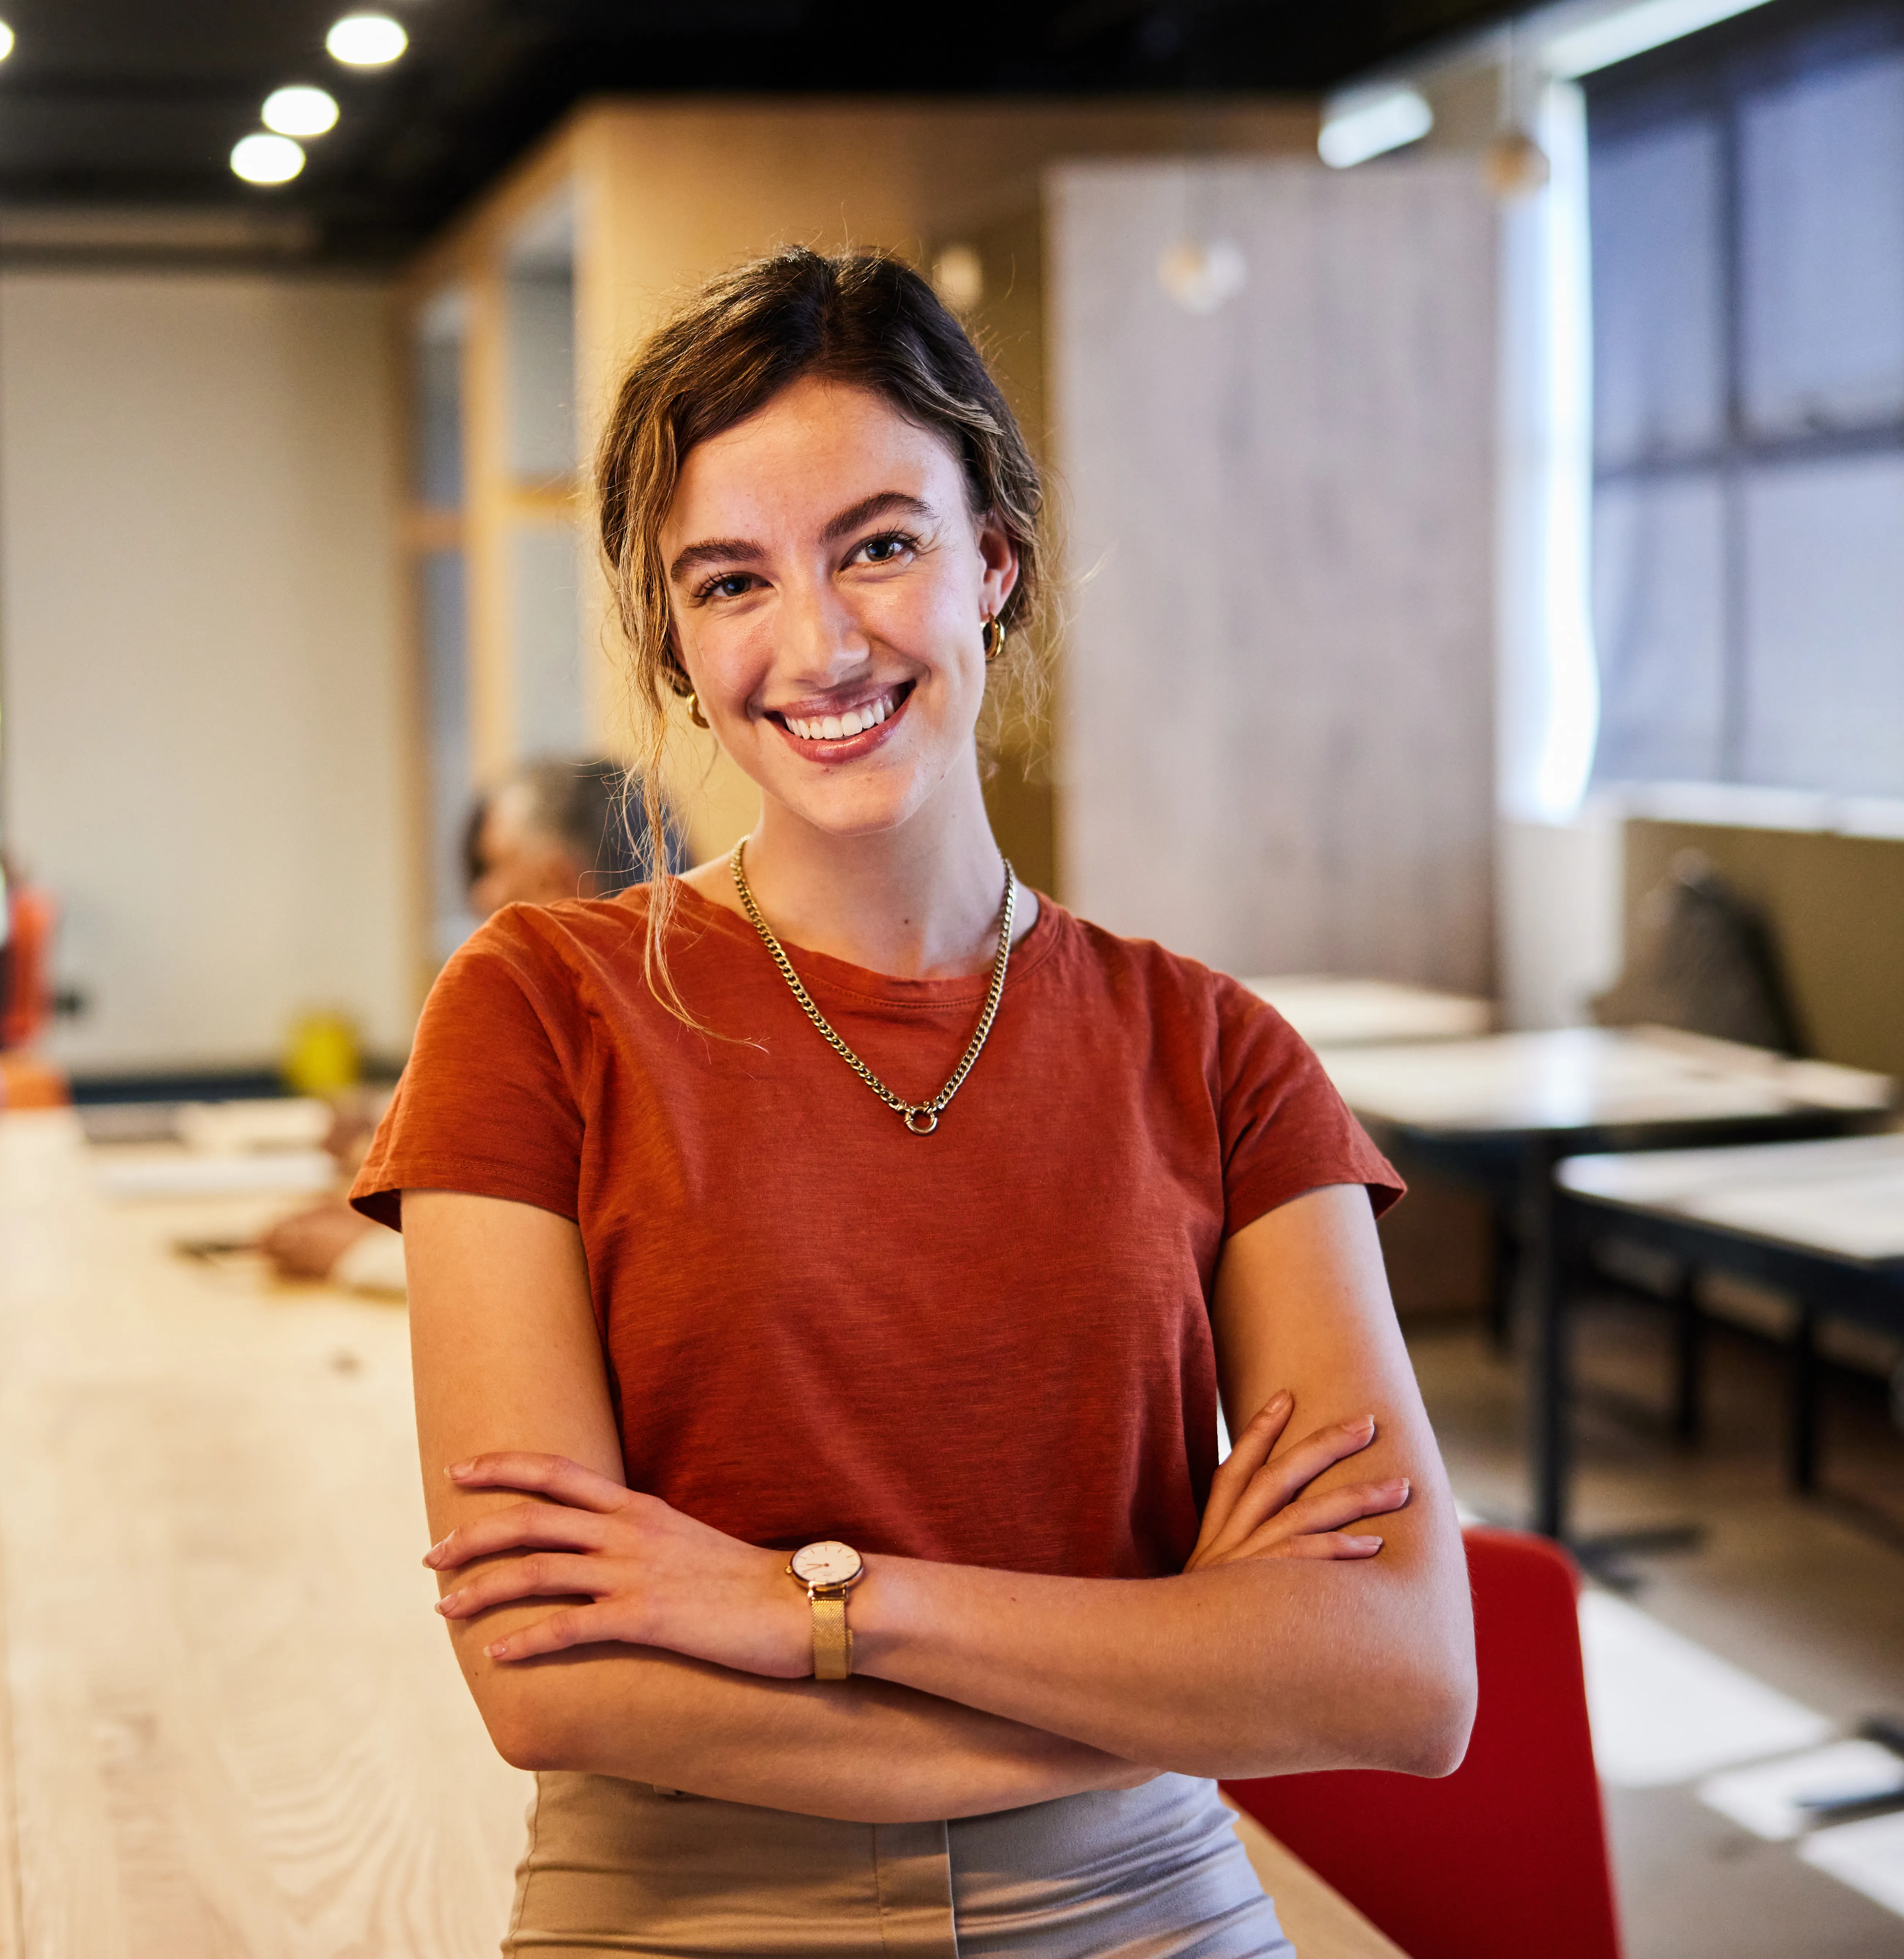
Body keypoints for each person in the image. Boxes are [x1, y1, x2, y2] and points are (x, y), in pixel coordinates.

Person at [350, 249, 1474, 1955]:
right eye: (729, 580)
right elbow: (551, 1675)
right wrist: (1179, 1654)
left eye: (878, 542)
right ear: (673, 635)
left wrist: (799, 1595)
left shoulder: (1216, 1051)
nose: (816, 642)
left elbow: (1400, 1673)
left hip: (1140, 1892)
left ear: (991, 562)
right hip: (682, 1897)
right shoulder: (531, 1009)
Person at [260, 756, 669, 1292]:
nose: (482, 896)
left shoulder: (617, 1032)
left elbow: (579, 1279)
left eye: (497, 865)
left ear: (557, 875)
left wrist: (367, 1257)